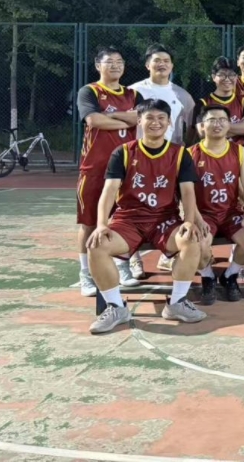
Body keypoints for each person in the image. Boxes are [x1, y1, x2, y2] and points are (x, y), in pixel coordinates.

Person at [86, 99, 204, 334]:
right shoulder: (123, 152)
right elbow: (109, 191)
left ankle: (177, 303)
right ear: (139, 121)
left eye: (161, 118)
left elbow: (188, 192)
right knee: (97, 245)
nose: (155, 122)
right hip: (128, 219)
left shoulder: (180, 154)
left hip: (165, 219)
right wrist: (101, 224)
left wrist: (189, 221)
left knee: (191, 239)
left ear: (169, 122)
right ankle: (116, 307)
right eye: (149, 117)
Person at [76, 47, 143, 296]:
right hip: (95, 167)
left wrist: (111, 117)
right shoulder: (89, 91)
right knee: (89, 222)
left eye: (119, 61)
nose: (115, 65)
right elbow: (93, 120)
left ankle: (122, 266)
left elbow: (140, 119)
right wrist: (125, 119)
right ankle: (85, 274)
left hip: (127, 167)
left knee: (125, 220)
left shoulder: (133, 94)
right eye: (109, 62)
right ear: (98, 65)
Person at [127, 43, 195, 278]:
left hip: (168, 158)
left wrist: (181, 151)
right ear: (148, 65)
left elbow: (190, 127)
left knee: (170, 204)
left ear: (172, 65)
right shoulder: (134, 91)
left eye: (166, 60)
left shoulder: (183, 96)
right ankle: (133, 258)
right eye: (157, 60)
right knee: (133, 205)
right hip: (139, 158)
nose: (162, 64)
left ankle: (168, 254)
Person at [188, 106, 244, 304]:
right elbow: (186, 192)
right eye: (212, 120)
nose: (217, 124)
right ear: (202, 125)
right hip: (203, 213)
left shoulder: (239, 151)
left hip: (230, 212)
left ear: (229, 125)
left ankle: (230, 276)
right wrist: (196, 218)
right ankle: (208, 276)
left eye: (222, 120)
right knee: (198, 244)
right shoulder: (190, 153)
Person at [194, 57, 244, 141]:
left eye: (231, 75)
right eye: (222, 75)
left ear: (236, 77)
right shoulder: (203, 103)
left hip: (238, 148)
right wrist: (239, 127)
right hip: (213, 148)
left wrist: (213, 128)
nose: (227, 79)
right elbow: (203, 133)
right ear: (213, 77)